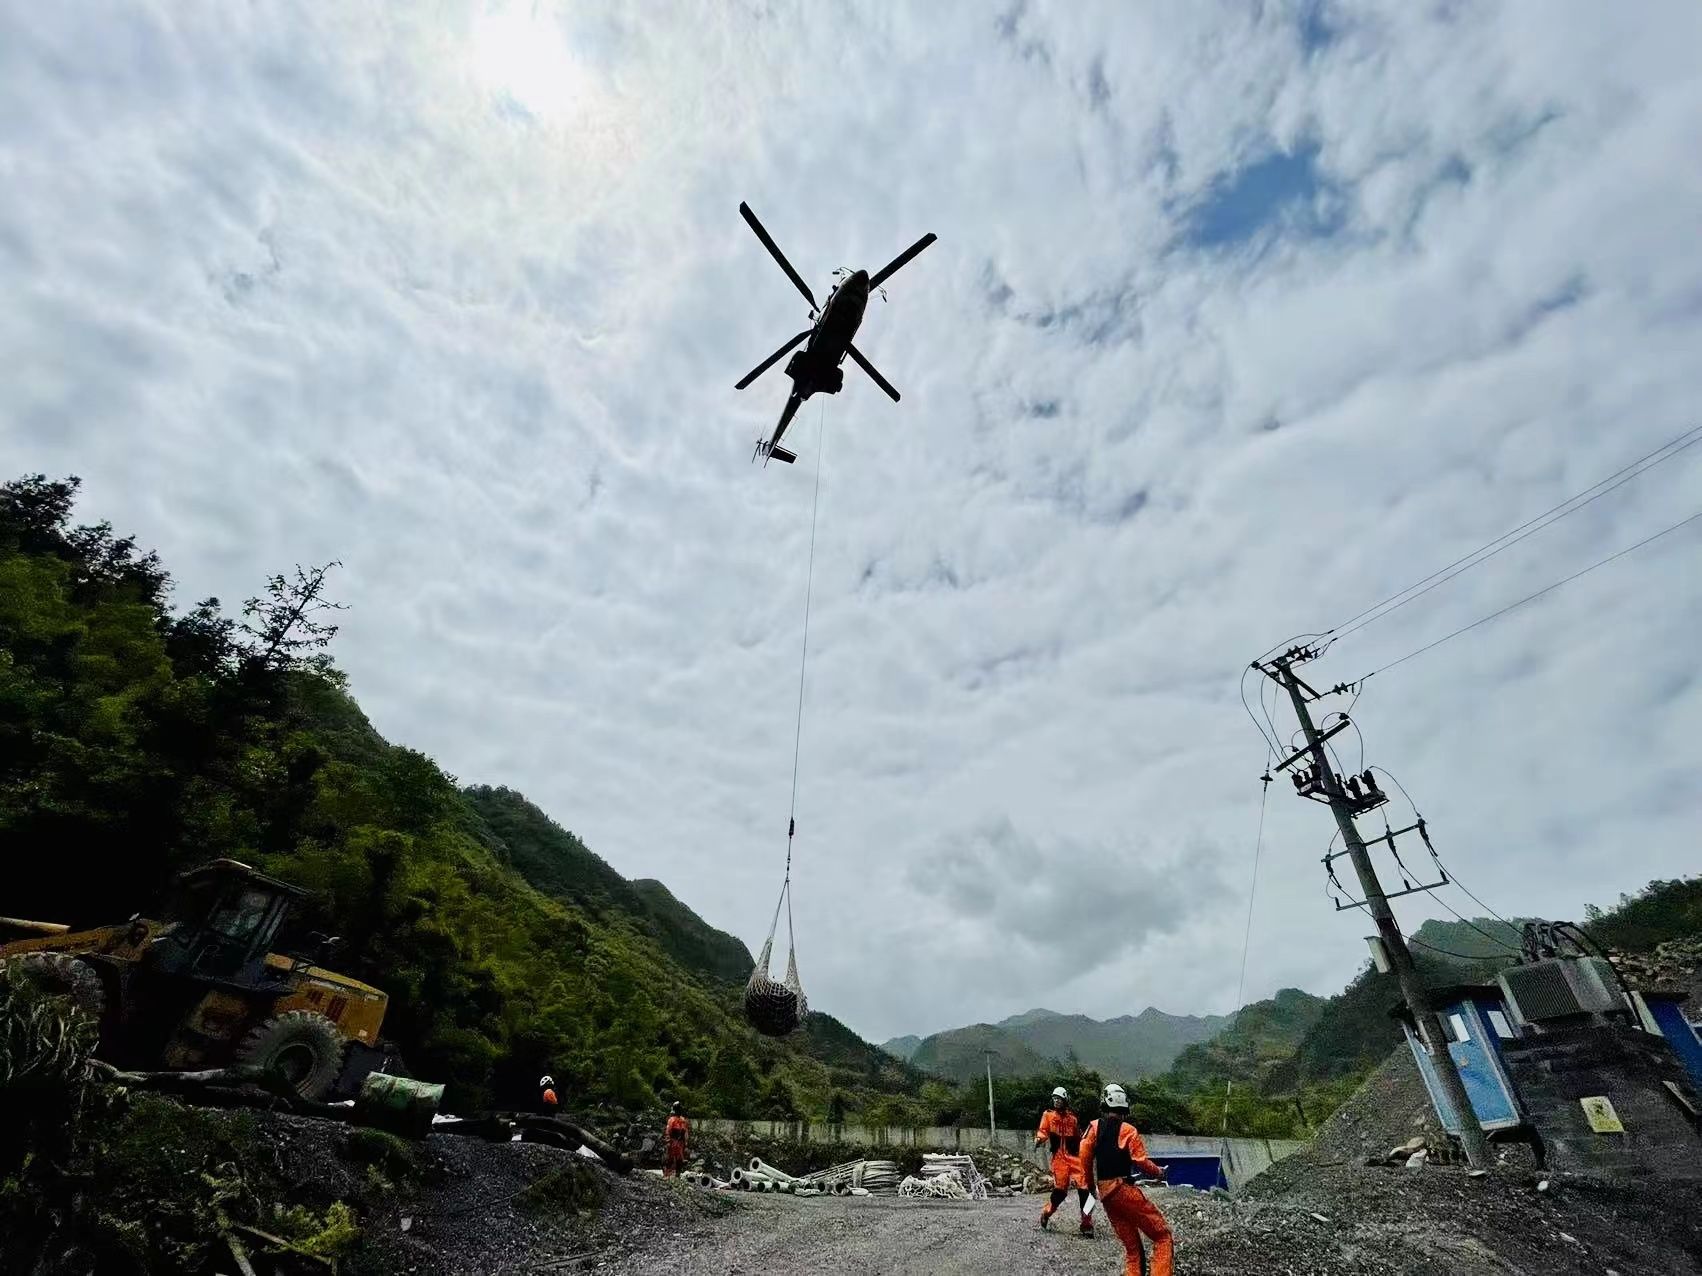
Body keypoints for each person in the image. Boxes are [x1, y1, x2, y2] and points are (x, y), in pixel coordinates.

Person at [1080, 1082, 1173, 1276]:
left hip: (1106, 1195)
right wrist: (1159, 1173)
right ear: (1125, 1106)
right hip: (1123, 1190)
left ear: (1104, 1103)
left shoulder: (1093, 1127)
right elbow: (1140, 1161)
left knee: (1132, 1248)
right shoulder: (1128, 1130)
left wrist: (1090, 1186)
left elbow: (1084, 1157)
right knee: (1162, 1236)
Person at [1034, 1085, 1092, 1235]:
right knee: (1060, 1191)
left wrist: (1087, 1149)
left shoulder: (1072, 1118)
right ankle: (1046, 1213)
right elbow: (1043, 1130)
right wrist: (1039, 1139)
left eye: (1059, 1099)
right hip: (1059, 1159)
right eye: (1054, 1099)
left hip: (1074, 1157)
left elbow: (1079, 1137)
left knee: (1085, 1189)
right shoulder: (1048, 1115)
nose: (1056, 1101)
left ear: (1065, 1100)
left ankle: (1087, 1223)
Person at [663, 1101, 690, 1178]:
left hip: (680, 1142)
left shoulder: (683, 1120)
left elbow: (685, 1132)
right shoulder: (672, 1120)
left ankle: (677, 1175)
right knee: (670, 1158)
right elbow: (668, 1131)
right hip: (673, 1141)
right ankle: (666, 1174)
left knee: (679, 1159)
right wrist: (668, 1141)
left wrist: (686, 1143)